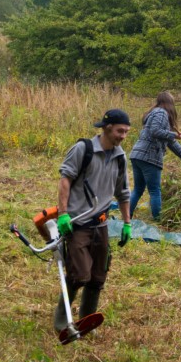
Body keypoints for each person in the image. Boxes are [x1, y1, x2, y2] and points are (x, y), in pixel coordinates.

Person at [53, 109, 133, 335]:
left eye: (126, 132)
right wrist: (62, 214)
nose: (123, 136)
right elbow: (65, 180)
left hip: (101, 224)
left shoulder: (120, 156)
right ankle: (61, 321)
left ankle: (87, 321)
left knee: (97, 276)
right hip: (78, 223)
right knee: (79, 274)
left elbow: (124, 193)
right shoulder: (83, 150)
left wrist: (127, 223)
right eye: (120, 131)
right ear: (107, 128)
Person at [128, 91, 181, 221]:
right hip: (149, 156)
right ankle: (158, 221)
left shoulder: (156, 113)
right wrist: (175, 135)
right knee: (154, 191)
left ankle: (126, 217)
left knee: (138, 189)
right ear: (167, 103)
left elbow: (170, 141)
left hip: (138, 155)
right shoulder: (161, 113)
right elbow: (156, 131)